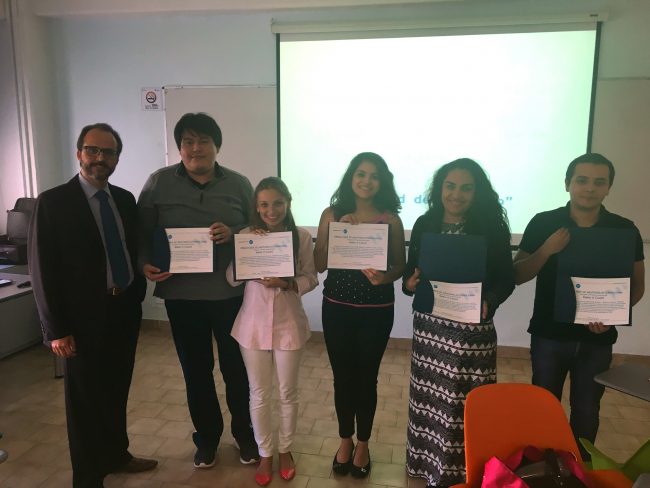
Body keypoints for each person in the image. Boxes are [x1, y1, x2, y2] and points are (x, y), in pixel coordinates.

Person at [28, 123, 157, 488]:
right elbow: (41, 269)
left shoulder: (125, 200)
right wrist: (55, 330)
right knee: (84, 401)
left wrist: (140, 281)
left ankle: (117, 454)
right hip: (80, 321)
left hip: (123, 310)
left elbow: (132, 249)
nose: (100, 158)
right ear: (79, 153)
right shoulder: (53, 202)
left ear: (117, 158)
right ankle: (87, 477)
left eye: (109, 152)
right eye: (93, 150)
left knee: (117, 388)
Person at [137, 113, 259, 468]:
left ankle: (245, 434)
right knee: (196, 371)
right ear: (179, 148)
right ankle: (206, 438)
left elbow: (258, 228)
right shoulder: (158, 183)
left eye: (203, 141)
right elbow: (141, 232)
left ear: (216, 146)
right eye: (188, 142)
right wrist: (144, 263)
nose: (196, 148)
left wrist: (233, 233)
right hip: (181, 297)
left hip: (231, 296)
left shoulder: (239, 184)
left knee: (237, 370)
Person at [513, 153, 645, 459]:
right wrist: (546, 250)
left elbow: (637, 285)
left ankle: (580, 471)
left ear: (608, 188)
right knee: (543, 406)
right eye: (582, 180)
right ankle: (542, 469)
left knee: (587, 410)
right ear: (567, 184)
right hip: (549, 335)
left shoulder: (624, 229)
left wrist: (612, 316)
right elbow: (517, 275)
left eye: (599, 182)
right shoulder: (544, 222)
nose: (590, 188)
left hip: (597, 339)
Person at [403, 158, 514, 488]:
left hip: (472, 333)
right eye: (450, 186)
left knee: (467, 404)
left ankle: (465, 471)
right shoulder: (425, 223)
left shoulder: (492, 227)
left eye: (466, 188)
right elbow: (410, 274)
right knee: (430, 401)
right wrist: (409, 283)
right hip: (430, 329)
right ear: (439, 189)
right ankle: (425, 465)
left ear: (477, 192)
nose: (456, 194)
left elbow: (506, 279)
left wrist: (489, 300)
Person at [314, 152, 406, 479]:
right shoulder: (332, 214)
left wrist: (386, 276)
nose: (367, 181)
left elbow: (399, 266)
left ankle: (363, 444)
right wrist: (337, 231)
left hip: (376, 312)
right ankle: (345, 440)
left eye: (374, 176)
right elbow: (319, 264)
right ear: (351, 177)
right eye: (361, 174)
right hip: (336, 308)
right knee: (342, 378)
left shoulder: (391, 220)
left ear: (383, 182)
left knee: (367, 378)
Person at [227, 177, 318, 486]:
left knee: (287, 392)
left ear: (288, 203)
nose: (271, 210)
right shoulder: (245, 235)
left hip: (289, 324)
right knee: (259, 392)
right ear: (256, 206)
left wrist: (287, 283)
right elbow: (231, 279)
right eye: (264, 204)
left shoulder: (300, 237)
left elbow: (311, 278)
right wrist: (246, 257)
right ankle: (265, 452)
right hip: (252, 326)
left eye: (278, 203)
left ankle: (286, 450)